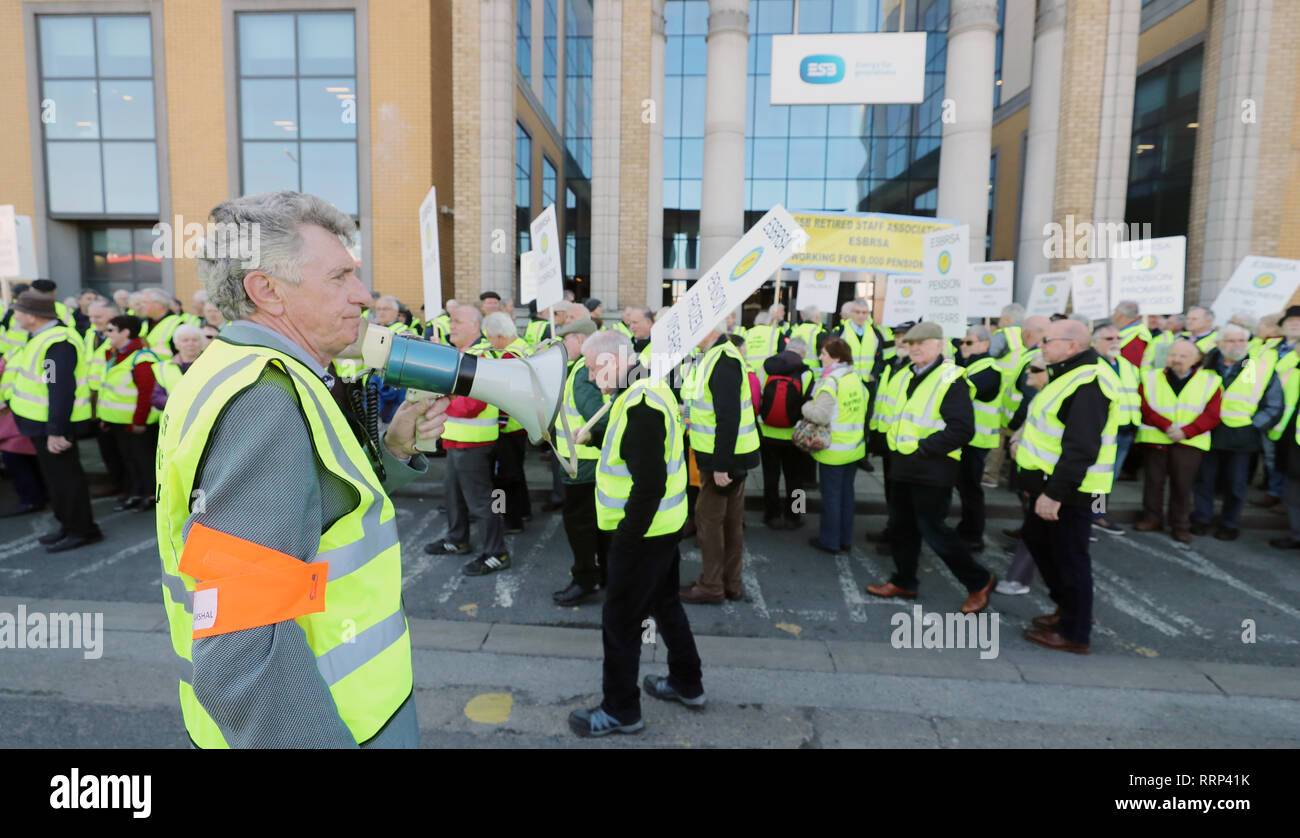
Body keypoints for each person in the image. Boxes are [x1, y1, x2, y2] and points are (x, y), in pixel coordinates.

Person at [155, 190, 447, 748]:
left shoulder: (239, 369)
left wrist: (391, 449)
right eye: (339, 277)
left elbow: (321, 507)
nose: (362, 295)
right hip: (338, 721)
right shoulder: (264, 399)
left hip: (346, 705)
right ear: (266, 291)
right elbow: (243, 644)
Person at [569, 330, 703, 737]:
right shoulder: (646, 389)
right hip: (661, 528)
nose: (592, 378)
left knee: (621, 623)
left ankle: (621, 711)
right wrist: (590, 439)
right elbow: (632, 454)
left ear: (612, 361)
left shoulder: (640, 403)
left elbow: (649, 482)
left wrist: (626, 538)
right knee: (665, 605)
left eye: (594, 369)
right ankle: (687, 682)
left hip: (642, 536)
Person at [865, 322, 996, 613]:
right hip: (903, 465)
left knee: (934, 530)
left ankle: (979, 581)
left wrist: (924, 449)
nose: (915, 348)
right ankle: (904, 580)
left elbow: (962, 429)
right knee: (902, 527)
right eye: (911, 344)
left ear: (940, 344)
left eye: (922, 343)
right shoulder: (904, 375)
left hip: (932, 468)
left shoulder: (951, 378)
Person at [1014, 319, 1118, 654]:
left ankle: (1074, 632)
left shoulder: (1089, 382)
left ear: (1072, 345)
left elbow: (1081, 447)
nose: (1041, 345)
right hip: (1050, 485)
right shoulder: (1070, 373)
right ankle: (1070, 609)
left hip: (1069, 490)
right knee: (1039, 541)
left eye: (1047, 340)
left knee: (1070, 557)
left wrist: (1054, 493)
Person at [0, 290, 101, 552]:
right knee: (56, 480)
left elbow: (60, 389)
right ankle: (68, 525)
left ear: (32, 316)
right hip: (42, 425)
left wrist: (57, 431)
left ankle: (82, 530)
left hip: (53, 427)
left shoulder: (58, 343)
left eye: (19, 311)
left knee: (66, 480)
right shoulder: (42, 337)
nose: (15, 315)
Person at [424, 304, 511, 574]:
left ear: (476, 326)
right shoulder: (464, 355)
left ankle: (497, 553)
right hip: (458, 441)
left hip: (474, 443)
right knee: (454, 495)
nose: (452, 325)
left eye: (458, 321)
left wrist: (440, 400)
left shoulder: (480, 357)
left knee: (482, 501)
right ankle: (457, 539)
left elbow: (471, 407)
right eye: (451, 320)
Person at [679, 323, 760, 604]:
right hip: (726, 455)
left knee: (709, 523)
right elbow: (714, 410)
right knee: (729, 523)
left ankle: (712, 586)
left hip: (723, 459)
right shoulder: (716, 357)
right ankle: (731, 584)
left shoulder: (722, 360)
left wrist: (721, 465)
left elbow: (728, 417)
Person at [1190, 324, 1281, 540]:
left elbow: (1274, 404)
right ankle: (1201, 518)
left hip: (1242, 435)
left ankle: (1229, 523)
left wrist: (1254, 425)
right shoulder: (1205, 365)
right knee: (1204, 480)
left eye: (1242, 340)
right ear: (1220, 344)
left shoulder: (1258, 367)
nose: (1238, 345)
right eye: (1231, 341)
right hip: (1207, 432)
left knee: (1235, 484)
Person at [1134, 339, 1222, 543]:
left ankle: (1180, 525)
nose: (1176, 360)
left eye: (1183, 356)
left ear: (1196, 359)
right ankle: (1151, 518)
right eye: (1173, 355)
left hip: (1189, 442)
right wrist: (1166, 426)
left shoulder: (1211, 381)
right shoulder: (1150, 377)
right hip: (1156, 439)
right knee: (1153, 483)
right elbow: (1144, 407)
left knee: (1183, 486)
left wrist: (1186, 432)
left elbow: (1212, 414)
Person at [550, 315, 609, 606]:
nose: (562, 345)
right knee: (599, 526)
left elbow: (599, 417)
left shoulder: (581, 374)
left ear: (580, 340)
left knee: (580, 527)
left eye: (565, 339)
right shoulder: (582, 369)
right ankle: (605, 576)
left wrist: (588, 437)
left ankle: (585, 580)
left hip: (583, 466)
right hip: (588, 464)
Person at [803, 338, 865, 553]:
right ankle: (844, 539)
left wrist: (806, 407)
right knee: (847, 496)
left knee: (831, 497)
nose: (820, 357)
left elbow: (820, 415)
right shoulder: (854, 377)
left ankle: (830, 540)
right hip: (854, 448)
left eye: (824, 354)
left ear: (836, 357)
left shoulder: (830, 381)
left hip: (833, 450)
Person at [97, 314, 160, 511]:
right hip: (118, 421)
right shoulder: (115, 354)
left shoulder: (142, 358)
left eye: (111, 330)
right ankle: (135, 493)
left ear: (125, 332)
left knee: (143, 460)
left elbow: (146, 393)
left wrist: (139, 421)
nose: (106, 334)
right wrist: (106, 418)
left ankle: (149, 496)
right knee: (128, 460)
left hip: (136, 423)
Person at [983, 314, 1049, 488]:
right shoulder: (1037, 355)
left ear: (1027, 334)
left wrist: (1016, 422)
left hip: (1019, 420)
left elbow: (1031, 395)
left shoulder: (1035, 359)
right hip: (1019, 420)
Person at [483, 311, 532, 534]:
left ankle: (507, 518)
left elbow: (503, 395)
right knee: (516, 472)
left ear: (500, 336)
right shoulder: (524, 347)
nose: (488, 342)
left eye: (490, 337)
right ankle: (523, 511)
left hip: (507, 426)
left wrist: (498, 425)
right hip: (520, 423)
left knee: (503, 477)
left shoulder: (509, 357)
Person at [1090, 323, 1140, 534]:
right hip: (1101, 432)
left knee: (1107, 478)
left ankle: (1096, 515)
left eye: (1118, 338)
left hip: (1125, 431)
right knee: (1093, 477)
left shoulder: (1128, 366)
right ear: (1094, 342)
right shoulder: (1091, 365)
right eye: (1109, 339)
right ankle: (1088, 516)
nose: (1116, 342)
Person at [758, 336, 812, 530]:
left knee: (770, 476)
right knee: (796, 478)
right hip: (794, 434)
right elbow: (808, 403)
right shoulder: (806, 373)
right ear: (803, 353)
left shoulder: (766, 368)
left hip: (768, 431)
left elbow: (758, 396)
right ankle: (795, 515)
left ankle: (771, 514)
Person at [956, 325, 1002, 551]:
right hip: (970, 438)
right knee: (965, 487)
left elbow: (961, 392)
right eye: (962, 342)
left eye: (969, 342)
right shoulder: (973, 365)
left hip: (977, 440)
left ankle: (973, 535)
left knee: (971, 489)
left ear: (984, 345)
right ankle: (967, 528)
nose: (963, 346)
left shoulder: (988, 368)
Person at [1258, 306, 1300, 512]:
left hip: (1294, 415)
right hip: (1269, 409)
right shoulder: (1268, 346)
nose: (1294, 323)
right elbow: (1249, 365)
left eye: (1298, 320)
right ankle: (1274, 492)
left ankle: (1288, 499)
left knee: (1292, 460)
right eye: (1290, 321)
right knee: (1271, 455)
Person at [152, 323, 210, 408]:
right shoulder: (163, 367)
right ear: (176, 345)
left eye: (195, 340)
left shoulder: (209, 365)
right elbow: (156, 398)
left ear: (202, 344)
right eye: (185, 340)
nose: (190, 344)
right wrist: (179, 403)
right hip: (171, 419)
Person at [136, 287, 186, 362]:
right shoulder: (145, 324)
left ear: (159, 304)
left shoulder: (177, 324)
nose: (141, 306)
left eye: (144, 302)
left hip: (166, 371)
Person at [743, 303, 787, 386]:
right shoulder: (776, 333)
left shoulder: (746, 333)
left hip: (748, 374)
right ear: (770, 322)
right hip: (768, 374)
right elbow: (783, 354)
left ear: (755, 322)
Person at [1111, 299, 1150, 366]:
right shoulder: (1135, 331)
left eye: (1115, 312)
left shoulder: (1136, 336)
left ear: (1120, 315)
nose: (1113, 316)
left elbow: (1132, 365)